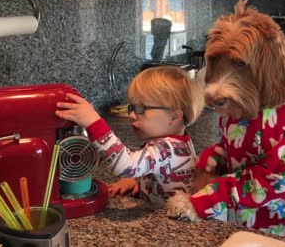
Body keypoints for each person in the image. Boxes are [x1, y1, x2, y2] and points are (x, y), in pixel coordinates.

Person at [56, 66, 204, 204]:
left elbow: (126, 165)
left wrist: (94, 123)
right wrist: (138, 180)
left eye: (141, 109)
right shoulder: (180, 141)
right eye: (132, 108)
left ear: (173, 117)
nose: (132, 115)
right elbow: (159, 168)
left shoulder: (166, 148)